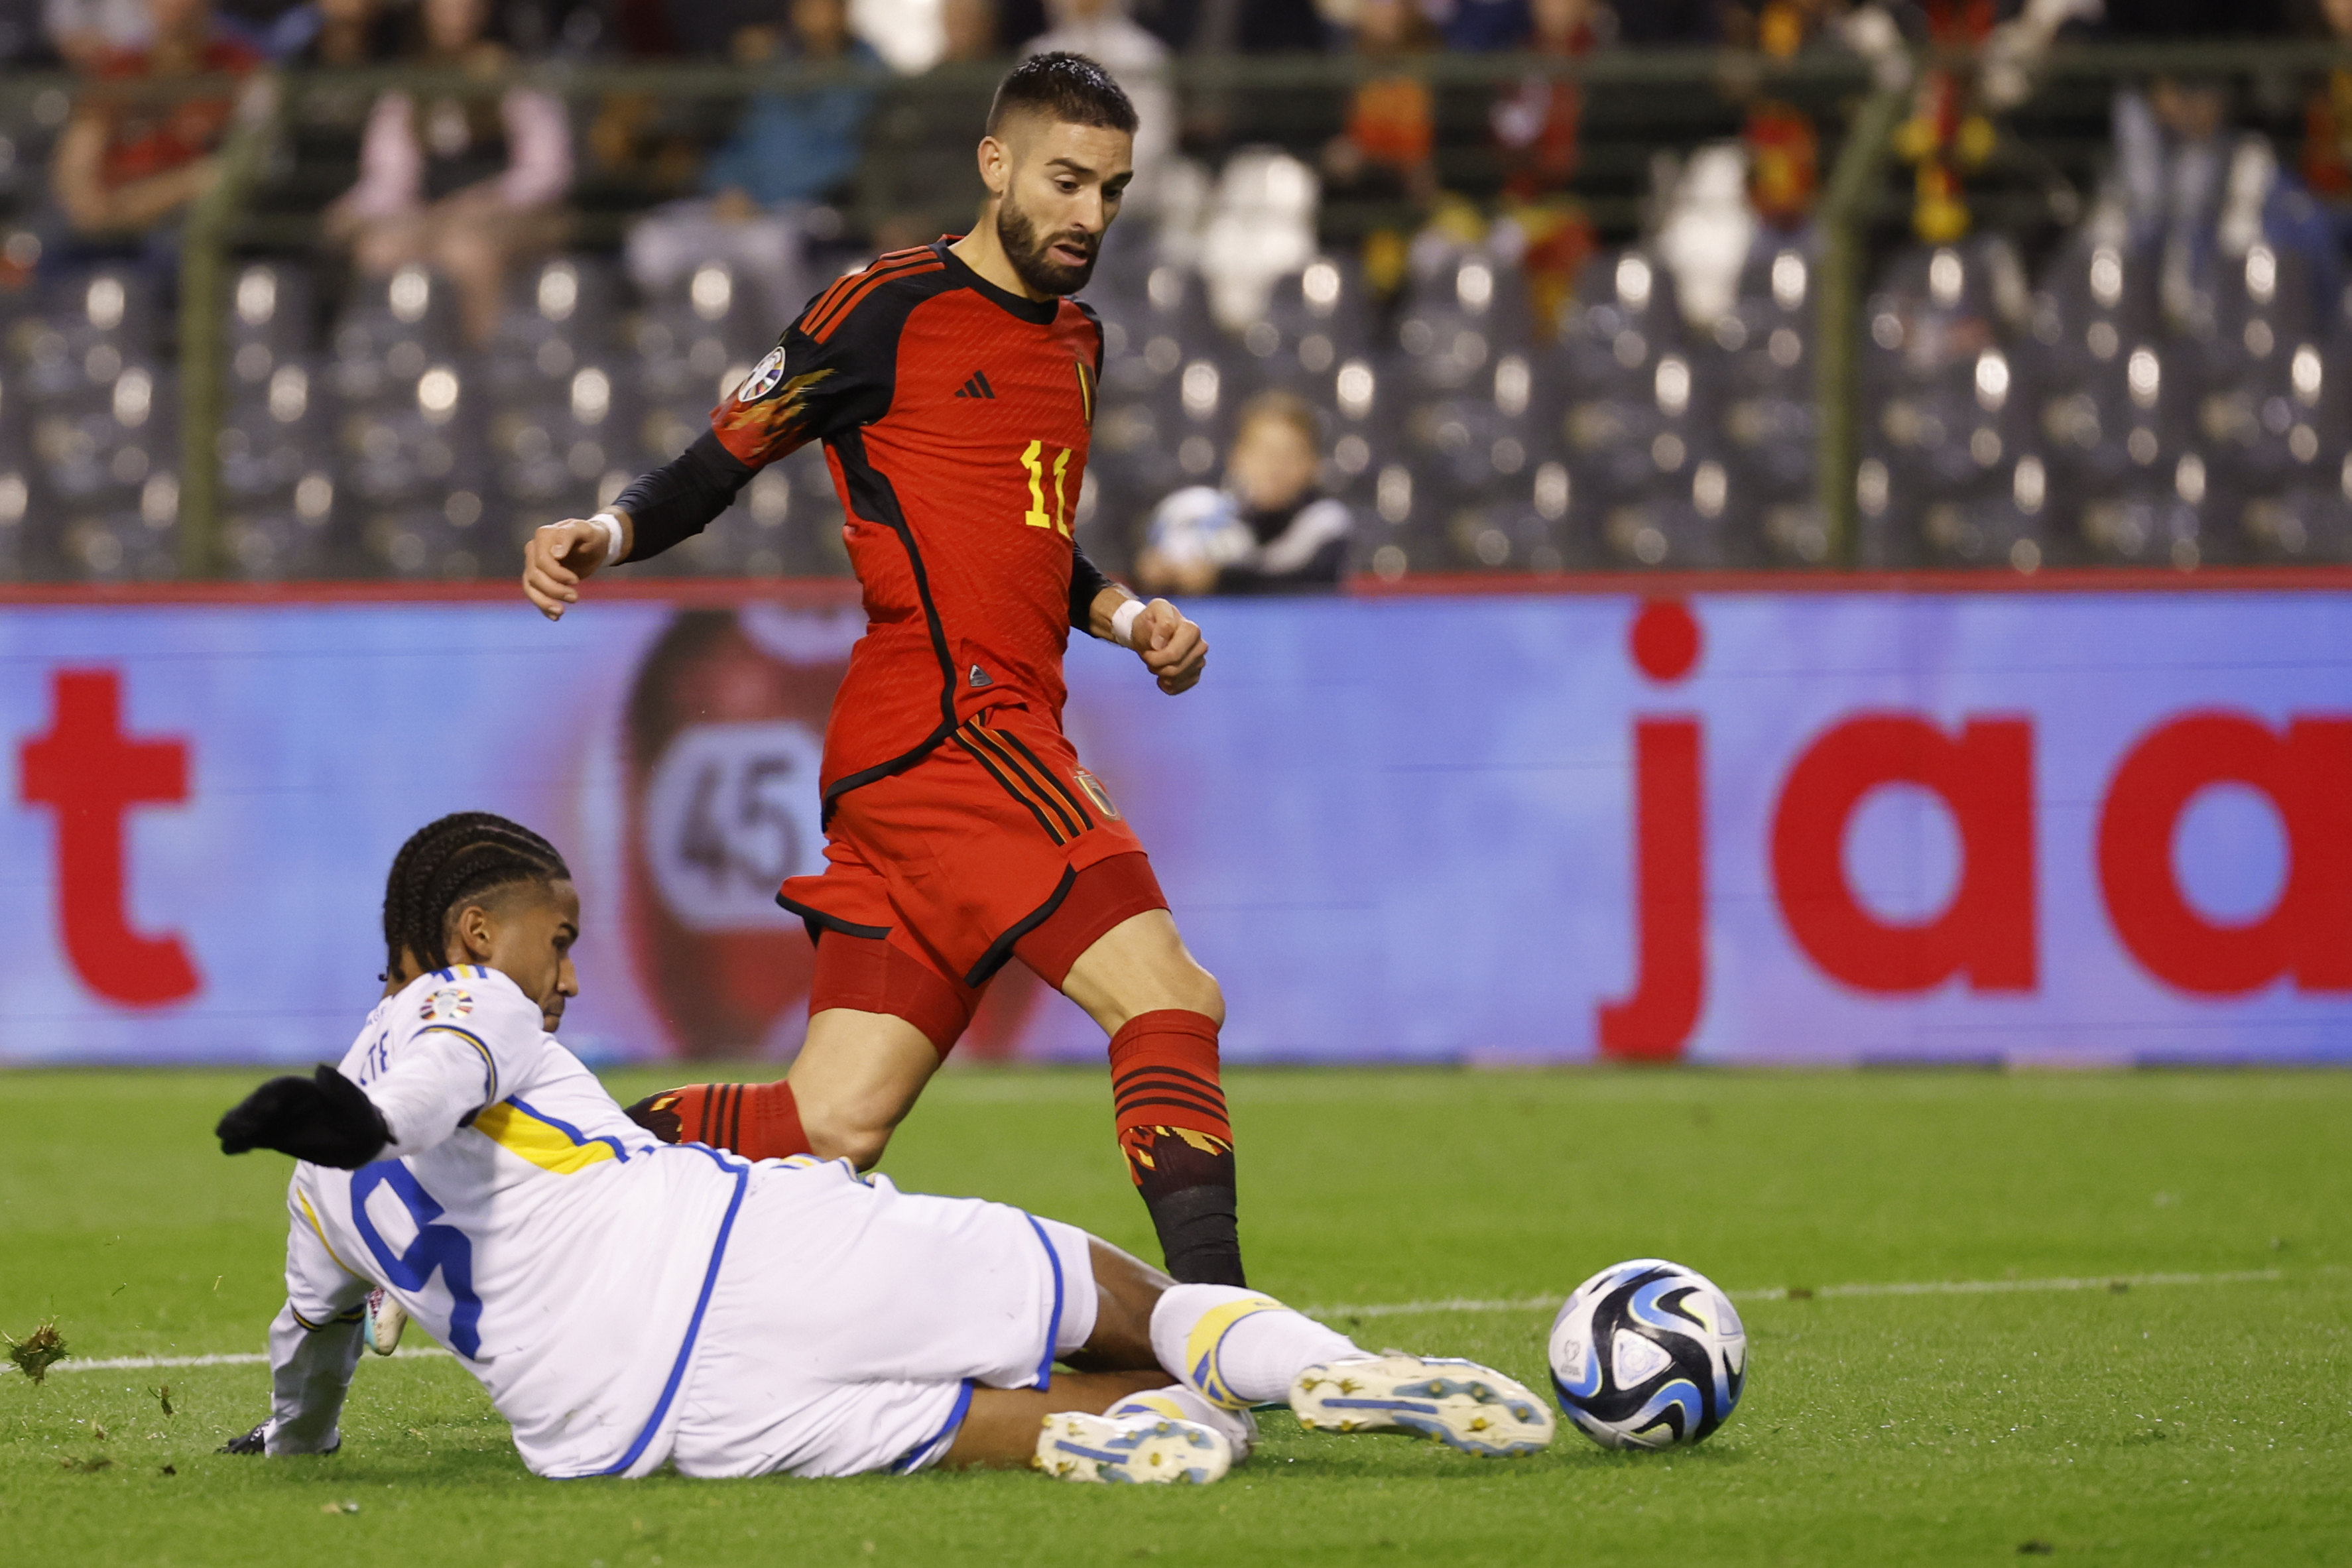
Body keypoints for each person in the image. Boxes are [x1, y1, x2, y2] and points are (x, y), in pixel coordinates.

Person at [519, 54, 1260, 1290]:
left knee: (827, 1125)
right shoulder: (882, 305)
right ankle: (1226, 1330)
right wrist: (604, 532)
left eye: (1113, 192)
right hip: (954, 725)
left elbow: (1024, 541)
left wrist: (1127, 616)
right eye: (1066, 181)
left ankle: (500, 1172)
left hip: (917, 751)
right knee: (1170, 996)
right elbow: (721, 459)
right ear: (995, 164)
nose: (1089, 216)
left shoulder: (1077, 340)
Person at [210, 812, 1556, 1482]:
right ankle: (1330, 1367)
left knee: (1018, 1426)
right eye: (555, 942)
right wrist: (366, 1114)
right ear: (473, 935)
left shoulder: (317, 1204)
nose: (564, 979)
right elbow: (432, 1083)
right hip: (736, 1254)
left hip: (622, 1427)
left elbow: (307, 1357)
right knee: (1106, 1296)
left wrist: (292, 1446)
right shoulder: (463, 1004)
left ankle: (1131, 1436)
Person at [322, 0, 571, 344]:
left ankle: (483, 366)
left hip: (508, 214)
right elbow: (391, 174)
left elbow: (547, 170)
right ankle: (398, 360)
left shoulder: (511, 71)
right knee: (382, 249)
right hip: (435, 214)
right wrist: (357, 208)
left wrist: (486, 202)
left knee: (466, 251)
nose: (457, 13)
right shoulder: (412, 79)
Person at [625, 0, 883, 328]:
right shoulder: (777, 63)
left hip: (810, 210)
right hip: (744, 207)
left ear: (843, 11)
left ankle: (796, 355)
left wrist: (761, 200)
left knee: (771, 250)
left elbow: (843, 159)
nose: (813, 14)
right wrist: (727, 187)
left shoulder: (867, 69)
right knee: (653, 242)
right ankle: (682, 353)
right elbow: (747, 142)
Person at [48, 0, 263, 243]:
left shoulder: (239, 69)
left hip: (185, 229)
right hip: (110, 225)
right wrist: (120, 208)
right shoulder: (118, 72)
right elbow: (78, 177)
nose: (174, 6)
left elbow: (226, 173)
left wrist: (186, 186)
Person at [1135, 391, 1351, 597]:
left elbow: (1306, 583)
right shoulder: (1195, 512)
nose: (1274, 468)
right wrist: (1152, 573)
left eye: (1290, 454)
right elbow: (1138, 572)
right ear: (1236, 457)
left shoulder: (1326, 524)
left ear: (1314, 465)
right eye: (1263, 452)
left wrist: (1218, 580)